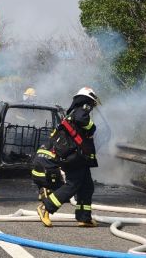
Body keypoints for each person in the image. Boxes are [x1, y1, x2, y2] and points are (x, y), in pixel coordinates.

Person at [37, 86, 99, 228]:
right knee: (73, 185)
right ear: (87, 100)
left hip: (79, 157)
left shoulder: (72, 112)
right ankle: (46, 207)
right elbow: (82, 120)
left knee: (87, 187)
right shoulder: (82, 110)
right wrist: (92, 127)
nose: (92, 107)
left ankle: (84, 217)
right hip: (74, 157)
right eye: (92, 102)